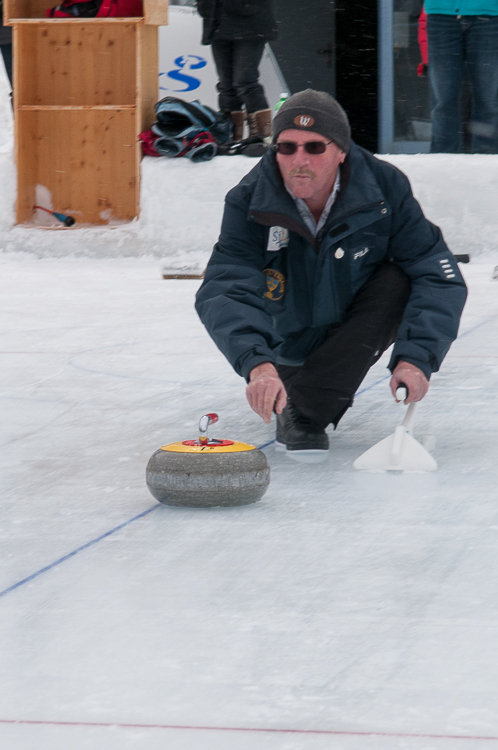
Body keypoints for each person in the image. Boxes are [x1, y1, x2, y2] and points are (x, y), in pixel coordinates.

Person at [195, 90, 468, 459]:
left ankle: (304, 410)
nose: (299, 159)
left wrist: (416, 358)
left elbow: (437, 272)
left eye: (314, 147)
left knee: (399, 279)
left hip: (348, 330)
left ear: (341, 151)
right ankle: (294, 393)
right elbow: (225, 286)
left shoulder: (385, 189)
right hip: (282, 340)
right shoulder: (248, 199)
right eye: (286, 148)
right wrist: (257, 364)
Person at [196, 0, 278, 143]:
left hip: (251, 23)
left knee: (245, 81)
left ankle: (262, 137)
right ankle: (229, 136)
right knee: (226, 85)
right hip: (217, 23)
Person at [425, 1, 498, 153]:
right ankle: (441, 164)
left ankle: (487, 164)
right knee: (443, 101)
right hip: (441, 15)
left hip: (489, 13)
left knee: (488, 100)